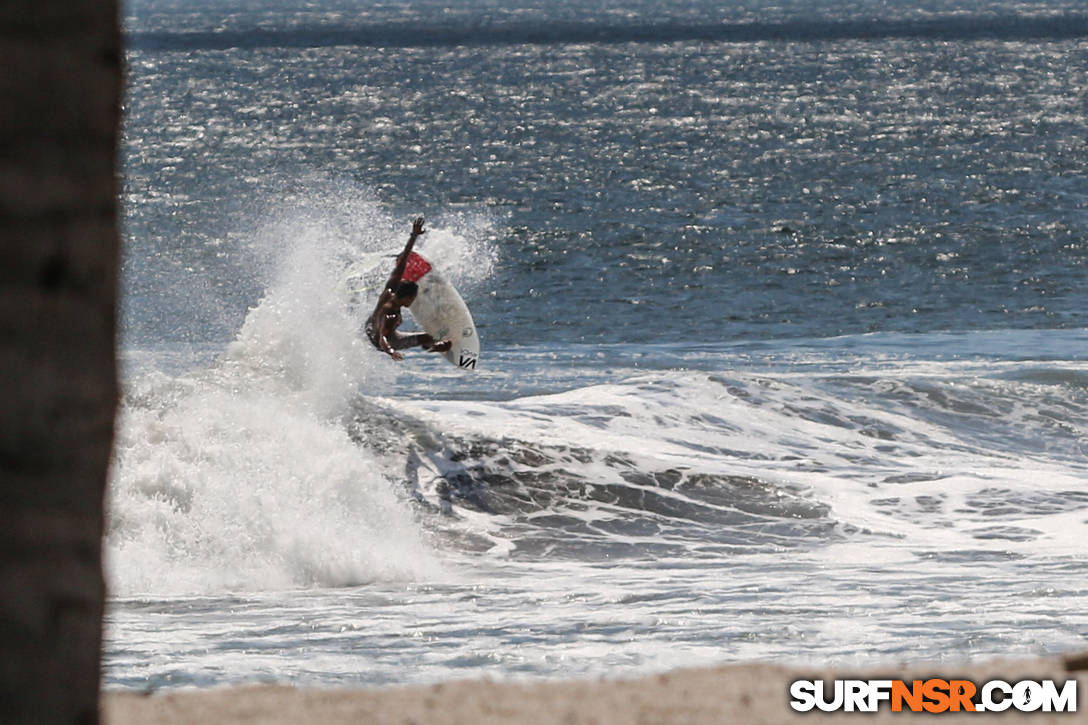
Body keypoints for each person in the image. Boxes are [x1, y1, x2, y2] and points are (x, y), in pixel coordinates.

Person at [366, 217, 452, 361]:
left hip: (369, 327)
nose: (413, 301)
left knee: (426, 338)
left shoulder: (390, 290)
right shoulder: (391, 316)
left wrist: (414, 236)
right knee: (429, 338)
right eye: (413, 298)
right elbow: (383, 338)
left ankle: (430, 345)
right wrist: (391, 352)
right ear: (406, 298)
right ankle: (433, 345)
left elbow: (402, 262)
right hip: (382, 341)